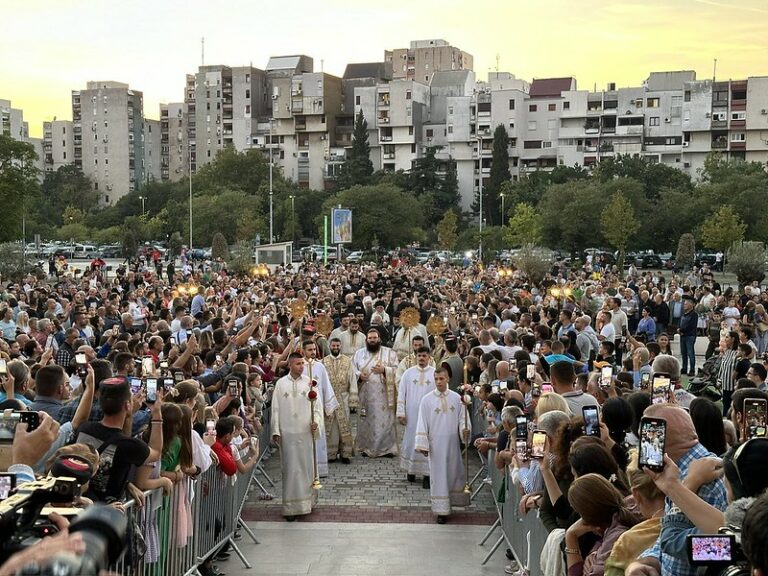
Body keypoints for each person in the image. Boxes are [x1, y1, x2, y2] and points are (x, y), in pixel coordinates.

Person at [414, 367, 470, 524]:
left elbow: (462, 419)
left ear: (448, 379)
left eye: (441, 379)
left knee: (452, 473)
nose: (439, 382)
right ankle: (441, 511)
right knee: (438, 477)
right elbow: (422, 423)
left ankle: (452, 503)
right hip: (435, 445)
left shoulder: (457, 398)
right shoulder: (426, 400)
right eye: (436, 379)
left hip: (452, 444)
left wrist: (465, 430)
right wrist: (422, 444)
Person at [271, 353, 322, 520]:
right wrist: (276, 430)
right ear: (290, 365)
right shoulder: (281, 384)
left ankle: (307, 503)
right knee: (291, 469)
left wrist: (317, 422)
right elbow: (276, 409)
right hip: (288, 434)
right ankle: (291, 508)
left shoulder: (310, 383)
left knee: (306, 467)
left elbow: (317, 407)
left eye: (302, 363)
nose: (302, 366)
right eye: (298, 363)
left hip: (305, 432)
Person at [353, 328, 399, 458]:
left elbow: (397, 370)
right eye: (370, 338)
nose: (372, 340)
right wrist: (359, 375)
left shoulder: (390, 353)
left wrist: (385, 370)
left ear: (379, 339)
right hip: (365, 394)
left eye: (375, 338)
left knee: (385, 421)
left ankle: (386, 449)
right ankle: (366, 447)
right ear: (366, 340)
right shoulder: (358, 354)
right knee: (366, 421)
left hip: (384, 396)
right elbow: (352, 370)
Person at [396, 347, 436, 486]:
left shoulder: (434, 374)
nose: (421, 358)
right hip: (411, 414)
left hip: (429, 415)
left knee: (426, 441)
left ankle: (427, 474)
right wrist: (401, 412)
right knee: (411, 440)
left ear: (429, 357)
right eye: (419, 355)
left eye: (424, 356)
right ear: (416, 357)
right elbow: (401, 393)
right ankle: (411, 470)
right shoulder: (408, 373)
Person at [302, 339, 339, 477]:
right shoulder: (300, 366)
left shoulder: (320, 366)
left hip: (317, 407)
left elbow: (326, 387)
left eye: (314, 349)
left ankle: (319, 468)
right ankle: (307, 468)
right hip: (303, 408)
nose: (313, 352)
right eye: (309, 350)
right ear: (303, 350)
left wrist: (329, 407)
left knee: (318, 437)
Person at [322, 337, 357, 463]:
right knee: (331, 427)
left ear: (340, 346)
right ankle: (331, 453)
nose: (335, 348)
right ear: (329, 346)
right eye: (333, 346)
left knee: (345, 425)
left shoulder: (348, 361)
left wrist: (353, 399)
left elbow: (352, 379)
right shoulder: (324, 362)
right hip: (330, 398)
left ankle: (345, 453)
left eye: (337, 346)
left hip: (344, 397)